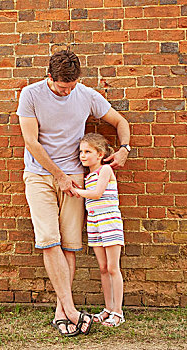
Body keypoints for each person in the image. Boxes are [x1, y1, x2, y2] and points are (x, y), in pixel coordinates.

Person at [16, 50, 130, 336]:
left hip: (76, 180)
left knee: (69, 245)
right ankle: (71, 310)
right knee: (48, 240)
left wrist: (125, 149)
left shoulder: (86, 95)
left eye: (72, 85)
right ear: (49, 77)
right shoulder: (30, 95)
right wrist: (59, 176)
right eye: (62, 86)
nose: (67, 91)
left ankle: (61, 313)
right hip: (40, 176)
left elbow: (120, 122)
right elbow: (31, 142)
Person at [72, 133, 126, 327]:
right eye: (81, 152)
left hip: (109, 221)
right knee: (103, 268)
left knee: (113, 268)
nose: (83, 155)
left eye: (88, 152)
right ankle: (108, 308)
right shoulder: (87, 177)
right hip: (94, 223)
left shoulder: (105, 170)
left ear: (100, 154)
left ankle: (118, 312)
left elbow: (97, 194)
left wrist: (75, 191)